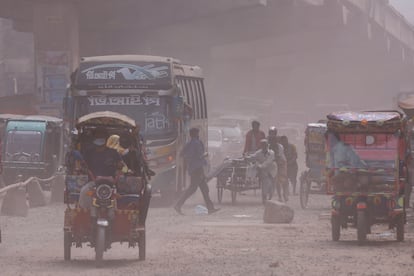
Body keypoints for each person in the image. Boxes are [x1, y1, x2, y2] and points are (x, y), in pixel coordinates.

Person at [174, 127, 220, 215]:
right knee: (193, 188)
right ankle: (178, 205)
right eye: (197, 133)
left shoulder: (189, 143)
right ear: (195, 134)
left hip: (193, 168)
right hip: (198, 168)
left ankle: (210, 208)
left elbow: (182, 153)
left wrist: (189, 160)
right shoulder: (197, 143)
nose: (198, 134)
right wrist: (205, 154)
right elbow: (200, 155)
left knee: (204, 188)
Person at [78, 130, 124, 210]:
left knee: (116, 198)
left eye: (101, 137)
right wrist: (83, 168)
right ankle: (84, 213)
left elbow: (121, 164)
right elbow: (83, 164)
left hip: (110, 184)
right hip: (93, 183)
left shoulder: (113, 152)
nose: (99, 139)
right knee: (84, 192)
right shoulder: (89, 152)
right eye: (97, 137)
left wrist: (120, 166)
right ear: (94, 139)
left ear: (106, 139)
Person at [250, 139, 278, 203]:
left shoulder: (271, 153)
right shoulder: (258, 153)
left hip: (272, 170)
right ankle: (264, 198)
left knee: (272, 185)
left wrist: (260, 166)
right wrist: (247, 157)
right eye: (262, 145)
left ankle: (270, 197)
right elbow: (253, 157)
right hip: (264, 171)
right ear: (261, 146)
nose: (264, 147)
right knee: (265, 183)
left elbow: (268, 162)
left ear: (267, 145)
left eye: (265, 145)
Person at [268, 127, 289, 202]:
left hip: (281, 163)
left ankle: (285, 194)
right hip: (272, 163)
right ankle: (279, 196)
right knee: (276, 181)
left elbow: (279, 156)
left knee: (282, 180)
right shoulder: (267, 144)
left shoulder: (280, 146)